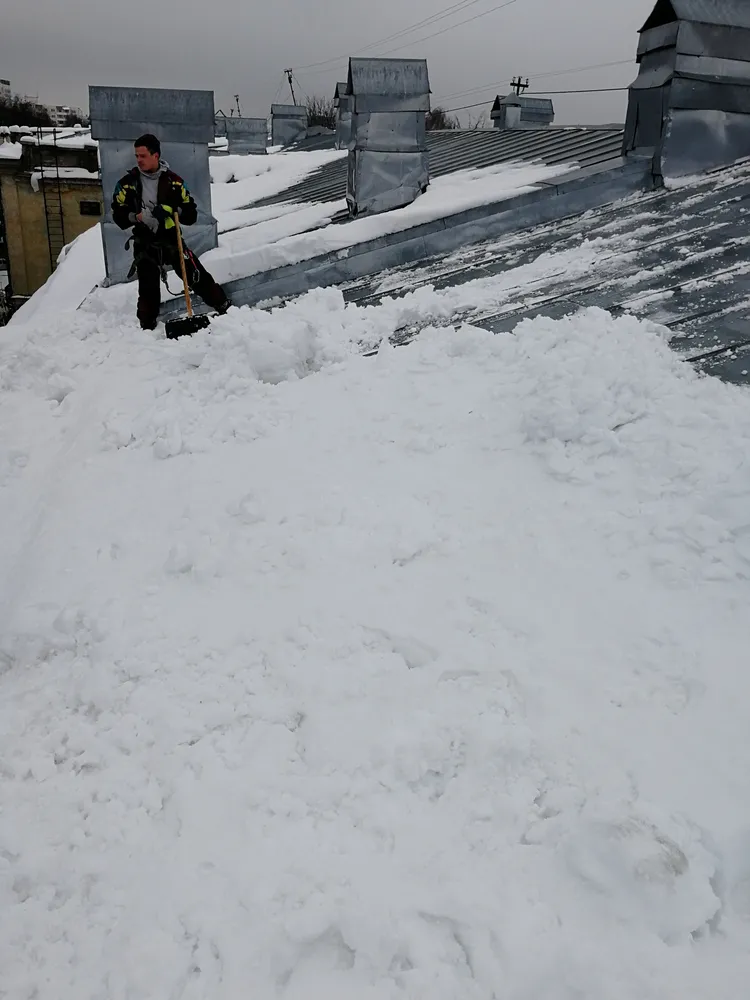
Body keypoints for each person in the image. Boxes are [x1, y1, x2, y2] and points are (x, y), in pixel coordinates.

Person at [111, 133, 230, 330]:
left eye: (143, 156)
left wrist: (173, 210)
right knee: (148, 288)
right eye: (136, 156)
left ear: (156, 155)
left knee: (194, 274)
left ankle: (222, 305)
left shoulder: (175, 182)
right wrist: (136, 217)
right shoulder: (127, 184)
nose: (139, 160)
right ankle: (147, 327)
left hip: (171, 238)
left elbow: (191, 214)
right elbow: (117, 213)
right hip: (144, 241)